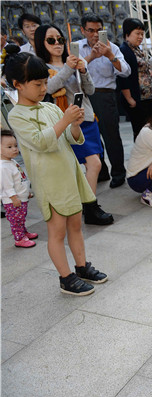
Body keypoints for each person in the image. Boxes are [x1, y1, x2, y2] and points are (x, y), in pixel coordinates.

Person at [5, 45, 109, 296]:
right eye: (38, 84)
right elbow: (41, 142)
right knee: (57, 230)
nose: (43, 89)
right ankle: (66, 278)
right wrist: (65, 121)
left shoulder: (50, 107)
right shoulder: (17, 115)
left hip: (68, 174)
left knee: (75, 225)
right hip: (50, 181)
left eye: (44, 83)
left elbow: (72, 140)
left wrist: (74, 124)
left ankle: (82, 267)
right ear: (18, 84)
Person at [36, 24, 113, 225]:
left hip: (86, 117)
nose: (57, 44)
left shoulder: (73, 62)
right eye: (50, 40)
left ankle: (88, 206)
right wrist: (69, 68)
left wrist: (83, 70)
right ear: (41, 43)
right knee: (89, 164)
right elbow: (48, 89)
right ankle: (89, 206)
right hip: (66, 121)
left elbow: (90, 90)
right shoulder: (42, 68)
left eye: (60, 39)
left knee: (94, 164)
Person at [78, 13, 131, 189]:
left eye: (99, 30)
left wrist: (109, 56)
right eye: (90, 30)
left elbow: (125, 71)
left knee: (111, 136)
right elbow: (70, 69)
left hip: (105, 94)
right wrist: (91, 57)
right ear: (83, 31)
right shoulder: (76, 48)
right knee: (90, 137)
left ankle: (118, 173)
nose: (95, 34)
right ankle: (100, 171)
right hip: (83, 96)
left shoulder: (113, 48)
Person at [118, 18, 152, 140]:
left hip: (146, 97)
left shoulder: (136, 49)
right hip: (137, 99)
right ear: (127, 34)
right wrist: (129, 98)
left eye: (142, 34)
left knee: (149, 130)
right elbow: (123, 77)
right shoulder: (124, 50)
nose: (140, 37)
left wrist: (149, 72)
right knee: (140, 132)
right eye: (137, 34)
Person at [1, 130, 38, 248]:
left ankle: (23, 232)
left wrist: (26, 193)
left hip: (20, 198)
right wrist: (13, 197)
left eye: (15, 146)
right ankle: (19, 239)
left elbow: (19, 180)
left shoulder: (12, 161)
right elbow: (7, 185)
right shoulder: (3, 167)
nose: (14, 149)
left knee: (21, 218)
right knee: (16, 221)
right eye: (9, 147)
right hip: (13, 201)